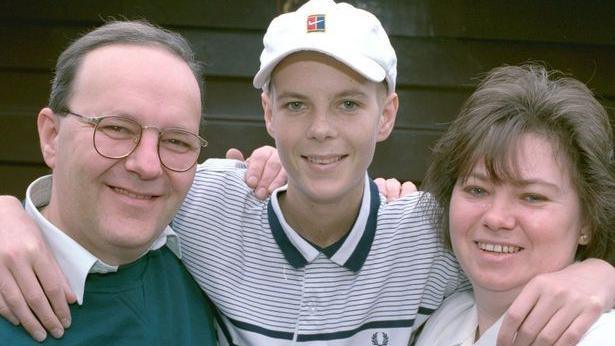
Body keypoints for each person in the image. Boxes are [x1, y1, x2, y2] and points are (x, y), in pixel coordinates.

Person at [1, 1, 615, 345]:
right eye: (296, 104)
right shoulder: (203, 200)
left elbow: (514, 248)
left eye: (348, 103)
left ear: (387, 113)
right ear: (267, 111)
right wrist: (10, 214)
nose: (321, 128)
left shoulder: (435, 235)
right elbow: (107, 205)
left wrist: (601, 274)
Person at [0, 20, 220, 344]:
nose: (147, 166)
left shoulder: (210, 258)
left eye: (176, 141)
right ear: (52, 136)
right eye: (116, 128)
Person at [411, 64, 615, 344]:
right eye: (477, 190)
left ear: (587, 222)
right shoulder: (447, 316)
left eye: (532, 197)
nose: (496, 218)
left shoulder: (598, 337)